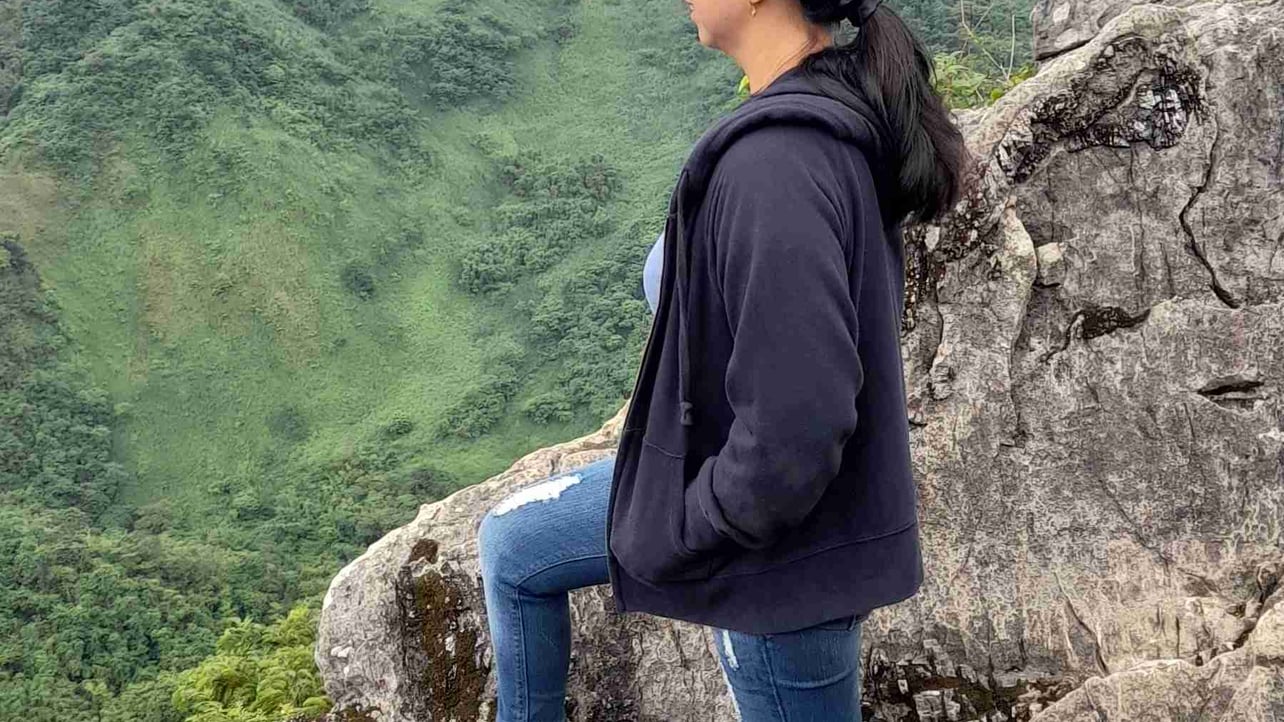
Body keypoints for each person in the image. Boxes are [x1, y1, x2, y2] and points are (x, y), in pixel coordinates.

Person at [477, 0, 970, 717]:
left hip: (778, 572)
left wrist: (689, 527)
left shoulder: (776, 165)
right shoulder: (812, 118)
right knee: (512, 545)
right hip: (770, 528)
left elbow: (795, 433)